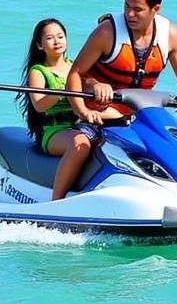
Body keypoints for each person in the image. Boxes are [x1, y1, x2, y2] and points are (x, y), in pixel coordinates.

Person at [66, 0, 177, 122]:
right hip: (97, 114)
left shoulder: (170, 35)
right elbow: (75, 74)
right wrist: (83, 111)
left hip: (138, 116)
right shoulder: (106, 33)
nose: (129, 14)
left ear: (156, 9)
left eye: (137, 9)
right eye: (127, 6)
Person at [22, 18, 116, 201]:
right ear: (40, 45)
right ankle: (57, 200)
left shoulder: (76, 68)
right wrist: (63, 91)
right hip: (54, 130)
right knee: (80, 143)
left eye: (60, 36)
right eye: (50, 38)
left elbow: (90, 82)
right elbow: (39, 104)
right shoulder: (39, 71)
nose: (57, 41)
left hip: (79, 124)